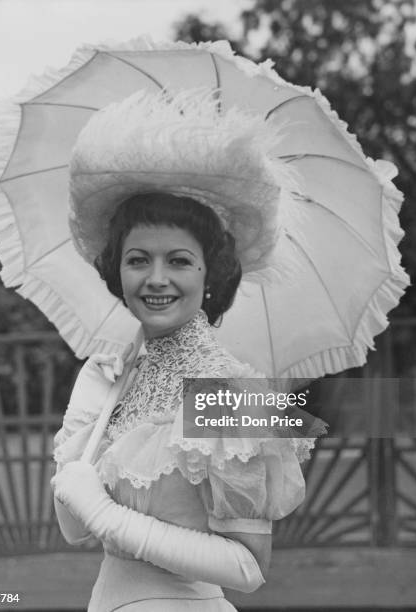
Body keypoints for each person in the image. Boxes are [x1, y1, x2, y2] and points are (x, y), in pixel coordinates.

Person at [50, 90, 316, 611]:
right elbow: (73, 528)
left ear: (208, 273)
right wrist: (87, 407)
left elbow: (248, 567)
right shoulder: (117, 377)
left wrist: (110, 517)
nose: (155, 279)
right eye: (137, 260)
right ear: (116, 271)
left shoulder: (230, 390)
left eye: (178, 261)